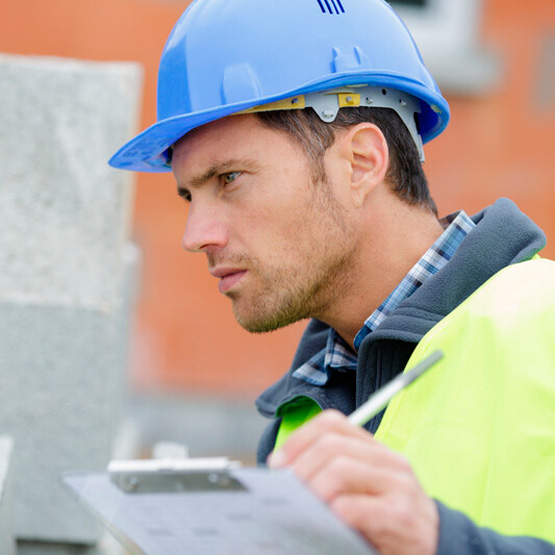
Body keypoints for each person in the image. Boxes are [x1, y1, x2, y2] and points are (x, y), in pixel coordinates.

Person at [109, 0, 555, 553]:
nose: (196, 233)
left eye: (229, 178)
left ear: (361, 162)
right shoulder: (298, 419)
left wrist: (439, 542)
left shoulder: (546, 328)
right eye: (188, 195)